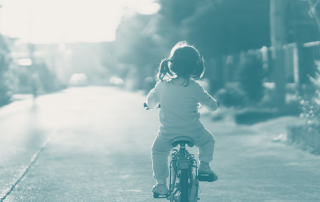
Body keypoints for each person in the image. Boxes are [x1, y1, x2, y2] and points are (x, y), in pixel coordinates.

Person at [146, 41, 219, 195]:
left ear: (172, 64)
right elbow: (211, 106)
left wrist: (148, 104)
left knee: (158, 151)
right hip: (194, 131)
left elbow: (151, 103)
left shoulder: (162, 85)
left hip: (168, 133)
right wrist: (215, 104)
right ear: (195, 66)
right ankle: (204, 166)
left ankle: (161, 185)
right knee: (208, 141)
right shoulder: (194, 87)